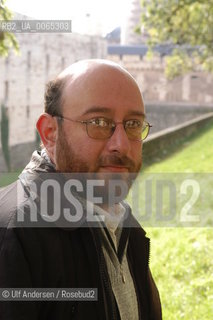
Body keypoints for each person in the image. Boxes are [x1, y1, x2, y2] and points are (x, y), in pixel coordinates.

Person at [0, 59, 162, 319]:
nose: (121, 144)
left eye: (132, 124)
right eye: (98, 122)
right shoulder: (14, 236)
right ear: (50, 132)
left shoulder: (124, 224)